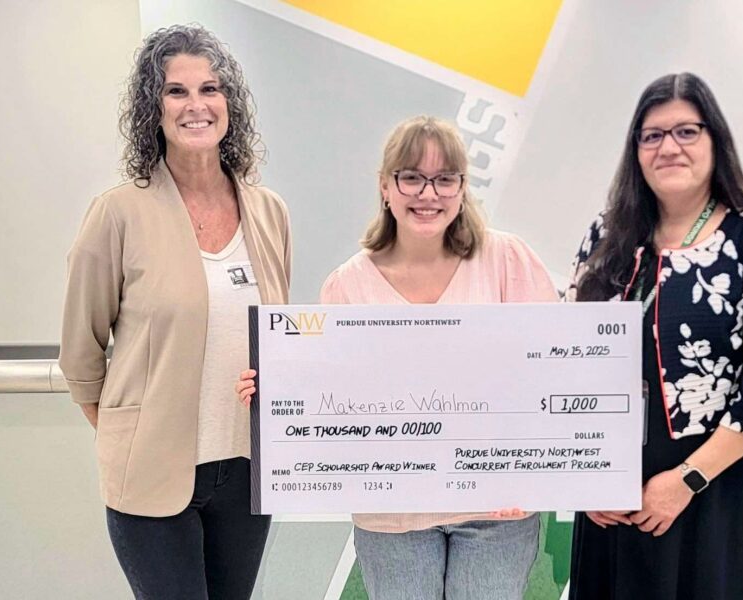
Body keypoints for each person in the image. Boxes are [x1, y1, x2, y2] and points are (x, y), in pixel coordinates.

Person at [237, 115, 557, 599]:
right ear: (386, 186)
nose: (428, 194)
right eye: (412, 177)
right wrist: (277, 396)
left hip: (495, 512)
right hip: (391, 515)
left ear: (462, 188)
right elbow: (330, 394)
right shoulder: (347, 284)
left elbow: (550, 373)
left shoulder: (506, 260)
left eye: (445, 179)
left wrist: (529, 475)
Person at [58, 25, 291, 599]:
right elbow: (82, 355)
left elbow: (278, 337)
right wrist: (135, 434)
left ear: (229, 104)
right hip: (153, 475)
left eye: (210, 89)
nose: (196, 106)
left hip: (247, 468)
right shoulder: (117, 213)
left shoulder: (269, 211)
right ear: (152, 108)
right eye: (176, 91)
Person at [567, 73, 743, 600]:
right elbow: (571, 357)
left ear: (714, 141)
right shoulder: (606, 236)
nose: (668, 147)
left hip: (721, 492)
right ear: (635, 150)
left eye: (686, 131)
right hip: (616, 496)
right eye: (652, 135)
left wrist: (688, 480)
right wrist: (587, 478)